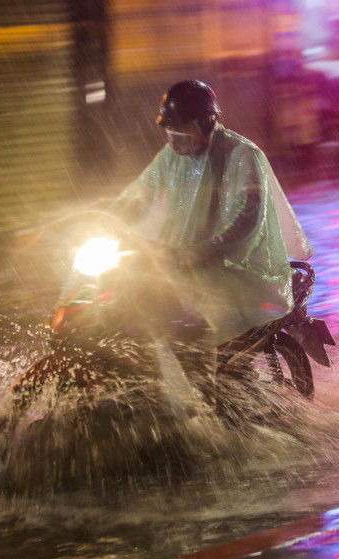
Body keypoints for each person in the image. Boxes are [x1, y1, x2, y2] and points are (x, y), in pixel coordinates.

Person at [106, 80, 314, 409]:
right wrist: (106, 221)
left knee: (188, 325)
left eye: (181, 129)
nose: (173, 138)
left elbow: (247, 220)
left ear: (205, 124)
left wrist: (201, 251)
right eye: (169, 130)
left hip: (236, 270)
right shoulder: (172, 155)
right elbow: (140, 195)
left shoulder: (242, 155)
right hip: (180, 262)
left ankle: (201, 406)